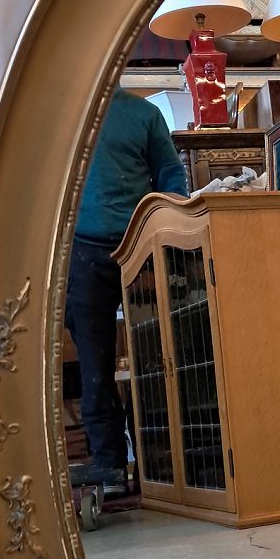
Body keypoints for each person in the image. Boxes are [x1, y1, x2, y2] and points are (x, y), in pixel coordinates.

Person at [66, 87, 187, 489]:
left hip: (140, 244)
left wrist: (167, 228)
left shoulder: (144, 114)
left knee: (157, 358)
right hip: (84, 249)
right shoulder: (63, 112)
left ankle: (160, 461)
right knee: (95, 362)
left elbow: (171, 176)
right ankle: (111, 464)